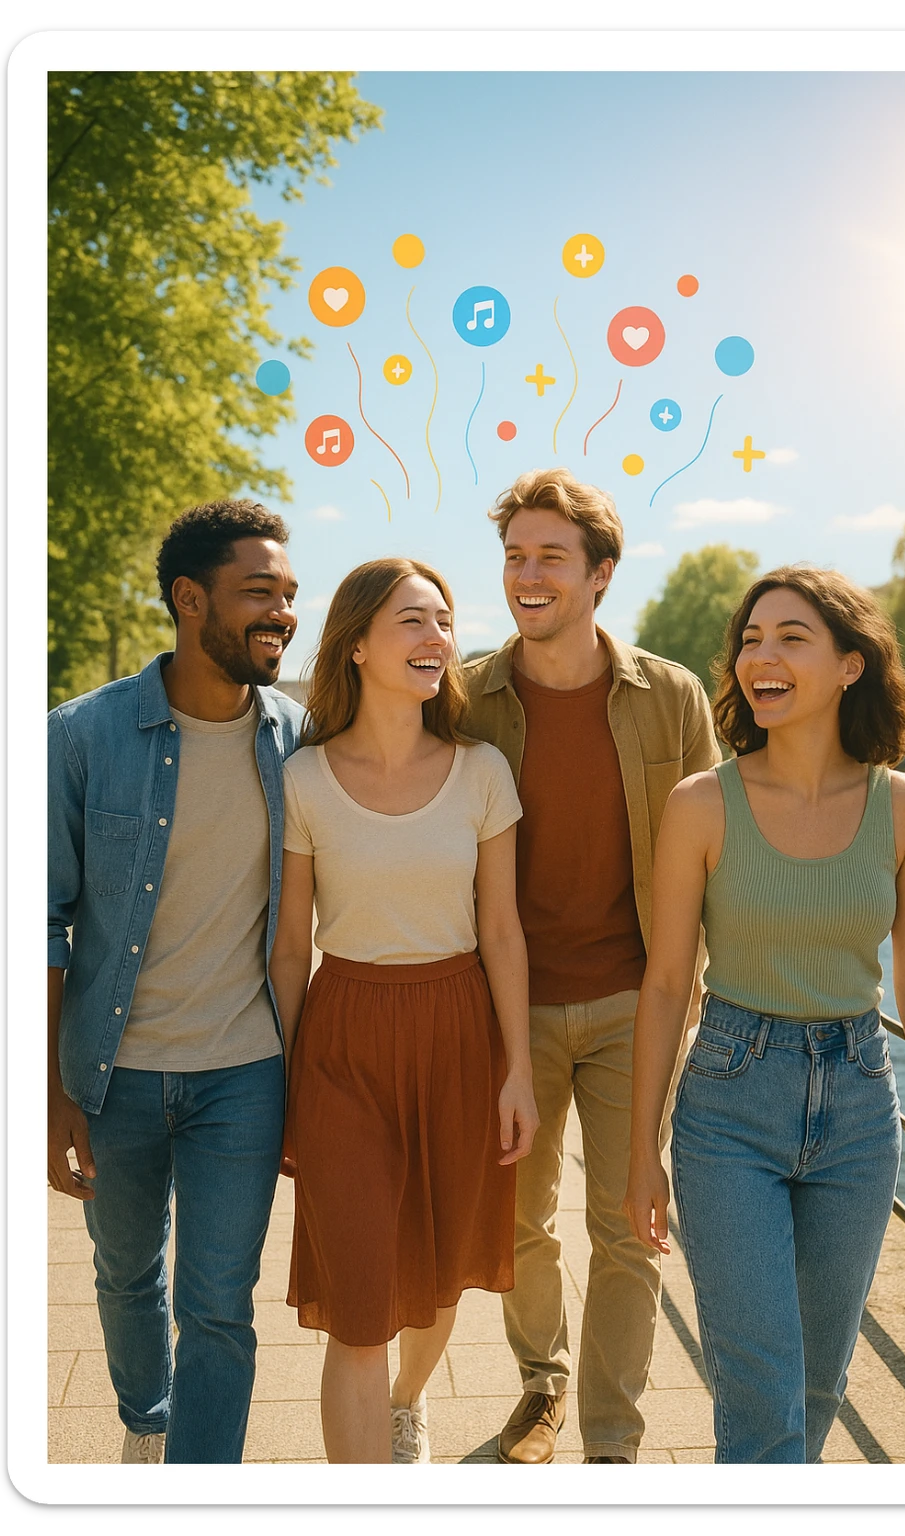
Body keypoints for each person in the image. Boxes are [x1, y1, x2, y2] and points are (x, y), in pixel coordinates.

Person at [625, 564, 905, 1464]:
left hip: (860, 1110)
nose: (760, 657)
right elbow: (667, 985)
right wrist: (640, 1151)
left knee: (818, 1384)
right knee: (763, 1393)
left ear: (851, 665)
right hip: (728, 1105)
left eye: (790, 637)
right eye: (750, 640)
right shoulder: (702, 804)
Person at [464, 468, 720, 1465]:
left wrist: (702, 995)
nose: (526, 576)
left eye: (550, 558)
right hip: (510, 1008)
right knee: (517, 1223)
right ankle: (543, 1385)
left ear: (600, 573)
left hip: (636, 1002)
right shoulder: (468, 696)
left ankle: (612, 1440)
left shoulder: (672, 696)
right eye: (514, 556)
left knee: (629, 1225)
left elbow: (714, 850)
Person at [47, 499, 306, 1465]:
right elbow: (41, 919)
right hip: (111, 1072)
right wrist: (49, 1094)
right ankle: (146, 1423)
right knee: (125, 1278)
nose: (283, 612)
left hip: (244, 1071)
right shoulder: (81, 737)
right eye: (259, 592)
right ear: (190, 599)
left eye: (289, 593)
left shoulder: (299, 739)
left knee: (220, 1304)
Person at [269, 557, 539, 1465]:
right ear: (356, 646)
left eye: (444, 621)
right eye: (414, 621)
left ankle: (407, 1403)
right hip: (342, 1042)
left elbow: (502, 932)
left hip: (459, 1033)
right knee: (358, 1303)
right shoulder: (304, 780)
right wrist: (284, 1082)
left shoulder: (482, 771)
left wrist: (518, 1073)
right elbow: (289, 948)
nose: (438, 639)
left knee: (439, 1270)